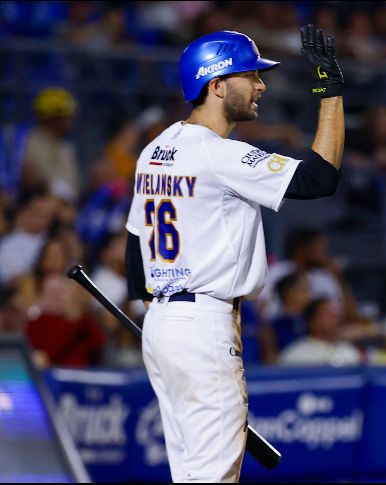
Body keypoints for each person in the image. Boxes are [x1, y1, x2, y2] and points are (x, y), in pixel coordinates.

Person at [124, 26, 345, 482]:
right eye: (251, 75)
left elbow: (134, 246)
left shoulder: (155, 149)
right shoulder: (218, 155)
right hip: (203, 325)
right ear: (217, 84)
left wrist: (164, 314)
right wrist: (330, 91)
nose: (261, 85)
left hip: (165, 325)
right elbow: (319, 179)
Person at [277, 297, 361, 367]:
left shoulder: (350, 350)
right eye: (328, 314)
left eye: (336, 314)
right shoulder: (295, 355)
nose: (335, 318)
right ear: (312, 321)